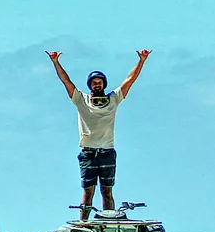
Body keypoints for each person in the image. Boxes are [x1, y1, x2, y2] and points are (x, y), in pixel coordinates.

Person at [46, 48, 149, 218]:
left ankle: (108, 222)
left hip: (107, 152)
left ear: (104, 84)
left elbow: (130, 80)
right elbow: (66, 82)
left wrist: (141, 61)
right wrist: (56, 62)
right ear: (90, 85)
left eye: (100, 82)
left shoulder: (113, 99)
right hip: (88, 153)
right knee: (88, 193)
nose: (97, 85)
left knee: (107, 192)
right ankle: (83, 225)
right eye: (94, 82)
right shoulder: (81, 100)